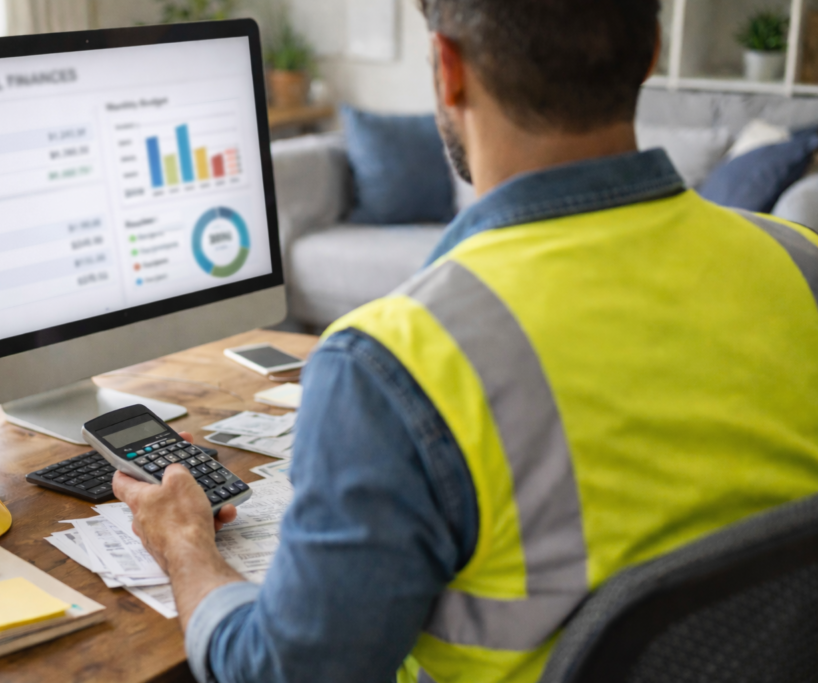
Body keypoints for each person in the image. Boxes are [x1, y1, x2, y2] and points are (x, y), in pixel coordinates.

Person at [113, 1, 818, 681]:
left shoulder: (392, 362)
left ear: (447, 68)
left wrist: (186, 546)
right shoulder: (803, 262)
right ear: (651, 56)